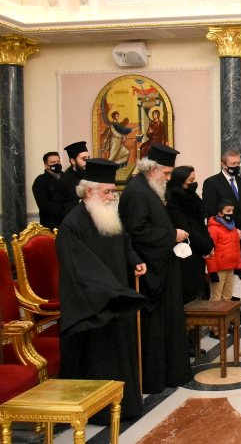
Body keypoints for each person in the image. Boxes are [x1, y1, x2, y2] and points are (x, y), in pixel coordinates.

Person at [57, 158, 147, 422]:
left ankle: (125, 404)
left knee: (120, 350)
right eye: (107, 192)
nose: (112, 197)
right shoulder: (72, 225)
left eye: (113, 192)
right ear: (88, 192)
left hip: (114, 297)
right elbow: (81, 268)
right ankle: (101, 411)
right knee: (100, 357)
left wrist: (135, 260)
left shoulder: (107, 214)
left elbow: (124, 241)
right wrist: (110, 291)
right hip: (93, 307)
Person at [119, 143, 192, 394]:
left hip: (162, 266)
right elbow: (138, 232)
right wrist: (172, 235)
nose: (169, 179)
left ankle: (170, 373)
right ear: (152, 169)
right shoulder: (137, 192)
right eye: (167, 174)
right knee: (154, 328)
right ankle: (155, 377)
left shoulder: (147, 188)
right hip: (150, 271)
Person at [202, 150, 241, 325]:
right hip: (223, 241)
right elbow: (210, 211)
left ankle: (236, 314)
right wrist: (232, 232)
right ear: (223, 164)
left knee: (239, 275)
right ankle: (220, 319)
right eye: (232, 164)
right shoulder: (212, 183)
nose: (236, 167)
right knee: (223, 281)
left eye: (238, 164)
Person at [166, 166, 214, 306]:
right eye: (190, 180)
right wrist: (206, 246)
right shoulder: (175, 202)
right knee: (189, 294)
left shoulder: (191, 197)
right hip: (187, 254)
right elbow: (188, 230)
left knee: (198, 290)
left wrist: (209, 244)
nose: (194, 183)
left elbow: (200, 224)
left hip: (198, 250)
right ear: (180, 181)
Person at [206, 200, 241, 303]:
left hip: (230, 268)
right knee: (216, 299)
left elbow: (237, 249)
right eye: (228, 210)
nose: (231, 213)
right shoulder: (213, 229)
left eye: (232, 211)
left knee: (227, 298)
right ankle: (213, 320)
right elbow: (210, 251)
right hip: (218, 270)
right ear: (220, 213)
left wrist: (239, 267)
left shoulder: (233, 228)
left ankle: (226, 320)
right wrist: (212, 271)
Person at [50, 141, 89, 226]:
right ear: (73, 161)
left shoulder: (90, 176)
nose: (87, 162)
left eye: (88, 158)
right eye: (84, 159)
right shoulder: (65, 180)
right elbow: (58, 209)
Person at [32, 151, 62, 229]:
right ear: (46, 165)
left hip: (67, 222)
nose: (57, 164)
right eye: (53, 162)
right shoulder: (40, 181)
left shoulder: (66, 177)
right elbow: (44, 206)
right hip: (50, 224)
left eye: (58, 161)